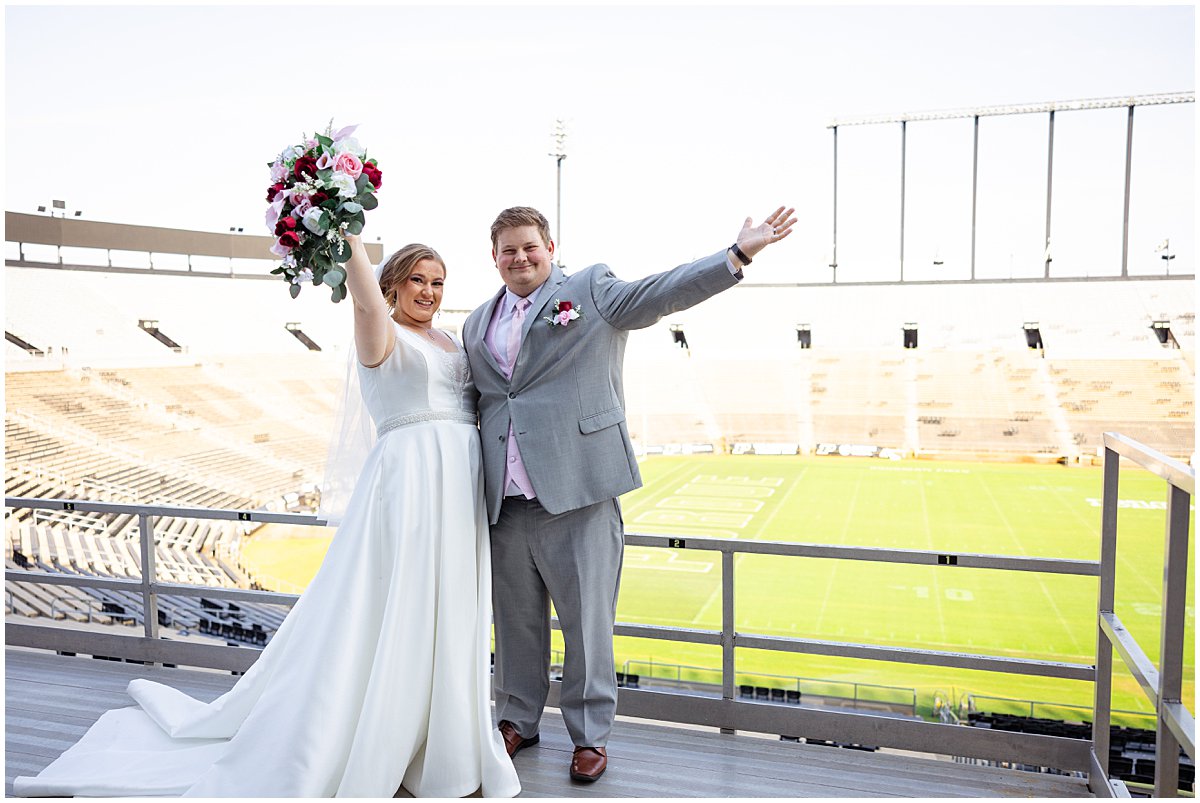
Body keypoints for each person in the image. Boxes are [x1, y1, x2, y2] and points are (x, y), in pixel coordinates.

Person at [14, 234, 521, 798]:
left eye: (437, 282)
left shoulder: (451, 338)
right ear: (392, 285)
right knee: (401, 601)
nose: (428, 291)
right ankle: (387, 734)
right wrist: (342, 218)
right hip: (411, 483)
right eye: (416, 280)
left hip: (458, 487)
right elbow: (361, 296)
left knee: (449, 605)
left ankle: (443, 737)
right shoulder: (379, 328)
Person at [462, 205, 796, 782]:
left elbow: (660, 293)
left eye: (529, 247)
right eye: (508, 250)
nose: (520, 258)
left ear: (550, 246)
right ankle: (517, 718)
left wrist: (736, 255)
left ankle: (589, 736)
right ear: (494, 257)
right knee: (514, 623)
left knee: (588, 626)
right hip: (506, 502)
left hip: (579, 492)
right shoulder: (475, 323)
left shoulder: (589, 289)